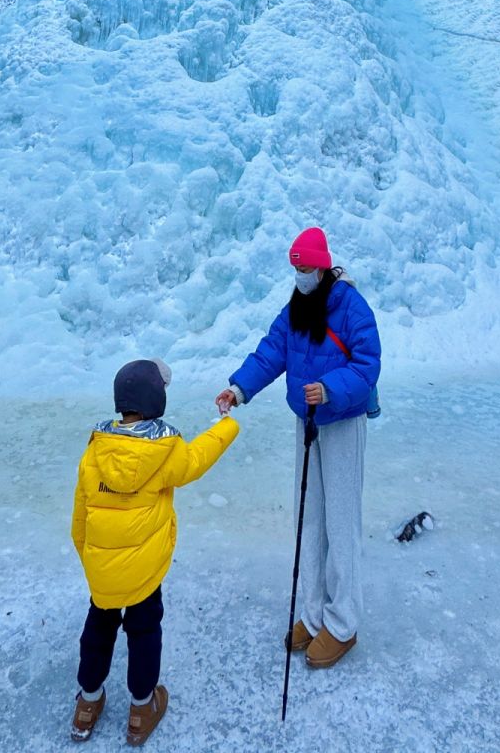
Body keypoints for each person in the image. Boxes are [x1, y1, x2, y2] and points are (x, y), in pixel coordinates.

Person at [216, 227, 381, 670]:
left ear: (323, 265)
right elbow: (273, 351)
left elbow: (368, 366)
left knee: (341, 521)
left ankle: (342, 623)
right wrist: (239, 389)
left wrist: (328, 389)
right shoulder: (296, 306)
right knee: (309, 517)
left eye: (306, 267)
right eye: (295, 267)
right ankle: (312, 615)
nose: (300, 274)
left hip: (342, 421)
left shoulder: (351, 307)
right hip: (307, 423)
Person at [70, 357, 238, 745]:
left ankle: (87, 705)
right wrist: (227, 425)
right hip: (145, 572)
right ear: (156, 400)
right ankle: (141, 710)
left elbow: (79, 518)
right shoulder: (163, 450)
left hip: (103, 571)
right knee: (144, 632)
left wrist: (92, 560)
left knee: (98, 630)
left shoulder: (95, 449)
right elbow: (197, 460)